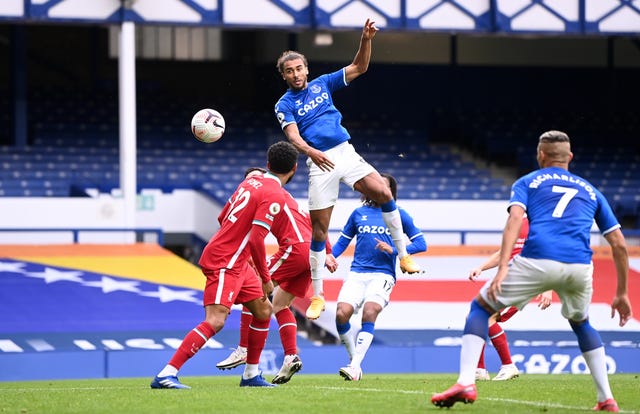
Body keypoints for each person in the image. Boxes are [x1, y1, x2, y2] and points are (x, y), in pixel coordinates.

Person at [431, 130, 633, 411]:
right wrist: (621, 293)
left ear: (540, 155)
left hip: (537, 259)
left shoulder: (528, 181)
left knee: (479, 309)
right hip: (579, 266)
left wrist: (502, 269)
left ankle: (467, 381)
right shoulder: (591, 190)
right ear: (570, 157)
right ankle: (606, 399)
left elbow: (515, 219)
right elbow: (619, 245)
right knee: (582, 323)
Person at [274, 18, 421, 321]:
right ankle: (317, 296)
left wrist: (366, 39)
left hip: (345, 152)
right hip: (320, 162)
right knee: (319, 230)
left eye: (299, 68)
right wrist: (312, 152)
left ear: (306, 69)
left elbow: (359, 67)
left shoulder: (323, 83)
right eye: (289, 71)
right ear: (285, 76)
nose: (295, 74)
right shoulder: (284, 104)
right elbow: (292, 137)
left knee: (382, 190)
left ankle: (403, 256)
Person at [150, 141, 300, 389]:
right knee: (216, 320)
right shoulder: (274, 193)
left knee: (263, 312)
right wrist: (265, 278)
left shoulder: (249, 182)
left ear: (267, 164)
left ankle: (251, 375)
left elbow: (222, 217)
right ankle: (166, 373)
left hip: (237, 260)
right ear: (294, 168)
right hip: (225, 260)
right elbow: (257, 239)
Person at [216, 167, 338, 384]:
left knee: (252, 293)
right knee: (280, 305)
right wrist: (325, 251)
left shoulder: (265, 194)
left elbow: (238, 228)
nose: (250, 183)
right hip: (310, 252)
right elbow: (314, 222)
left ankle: (243, 349)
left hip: (294, 248)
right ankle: (291, 356)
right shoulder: (284, 195)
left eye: (254, 178)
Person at [331, 173, 426, 381]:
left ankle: (354, 366)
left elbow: (421, 244)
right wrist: (328, 257)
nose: (379, 188)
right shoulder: (358, 213)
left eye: (384, 186)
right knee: (340, 314)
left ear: (391, 191)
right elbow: (341, 243)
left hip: (382, 274)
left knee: (370, 311)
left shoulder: (399, 214)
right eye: (376, 184)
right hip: (357, 273)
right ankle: (353, 360)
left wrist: (393, 250)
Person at [468, 215, 552, 381]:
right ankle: (479, 369)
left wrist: (548, 287)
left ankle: (507, 366)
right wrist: (481, 267)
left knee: (486, 316)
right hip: (507, 278)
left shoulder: (543, 223)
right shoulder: (518, 222)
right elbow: (503, 253)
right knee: (475, 317)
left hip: (525, 280)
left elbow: (550, 254)